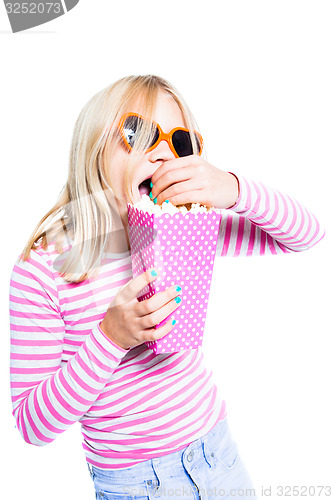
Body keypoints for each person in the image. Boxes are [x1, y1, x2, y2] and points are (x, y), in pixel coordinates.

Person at [9, 74, 324, 500]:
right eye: (138, 132)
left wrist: (232, 189)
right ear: (93, 145)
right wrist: (110, 337)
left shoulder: (184, 227)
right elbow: (32, 424)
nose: (162, 153)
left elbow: (307, 235)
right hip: (136, 485)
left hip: (217, 454)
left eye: (180, 141)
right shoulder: (45, 269)